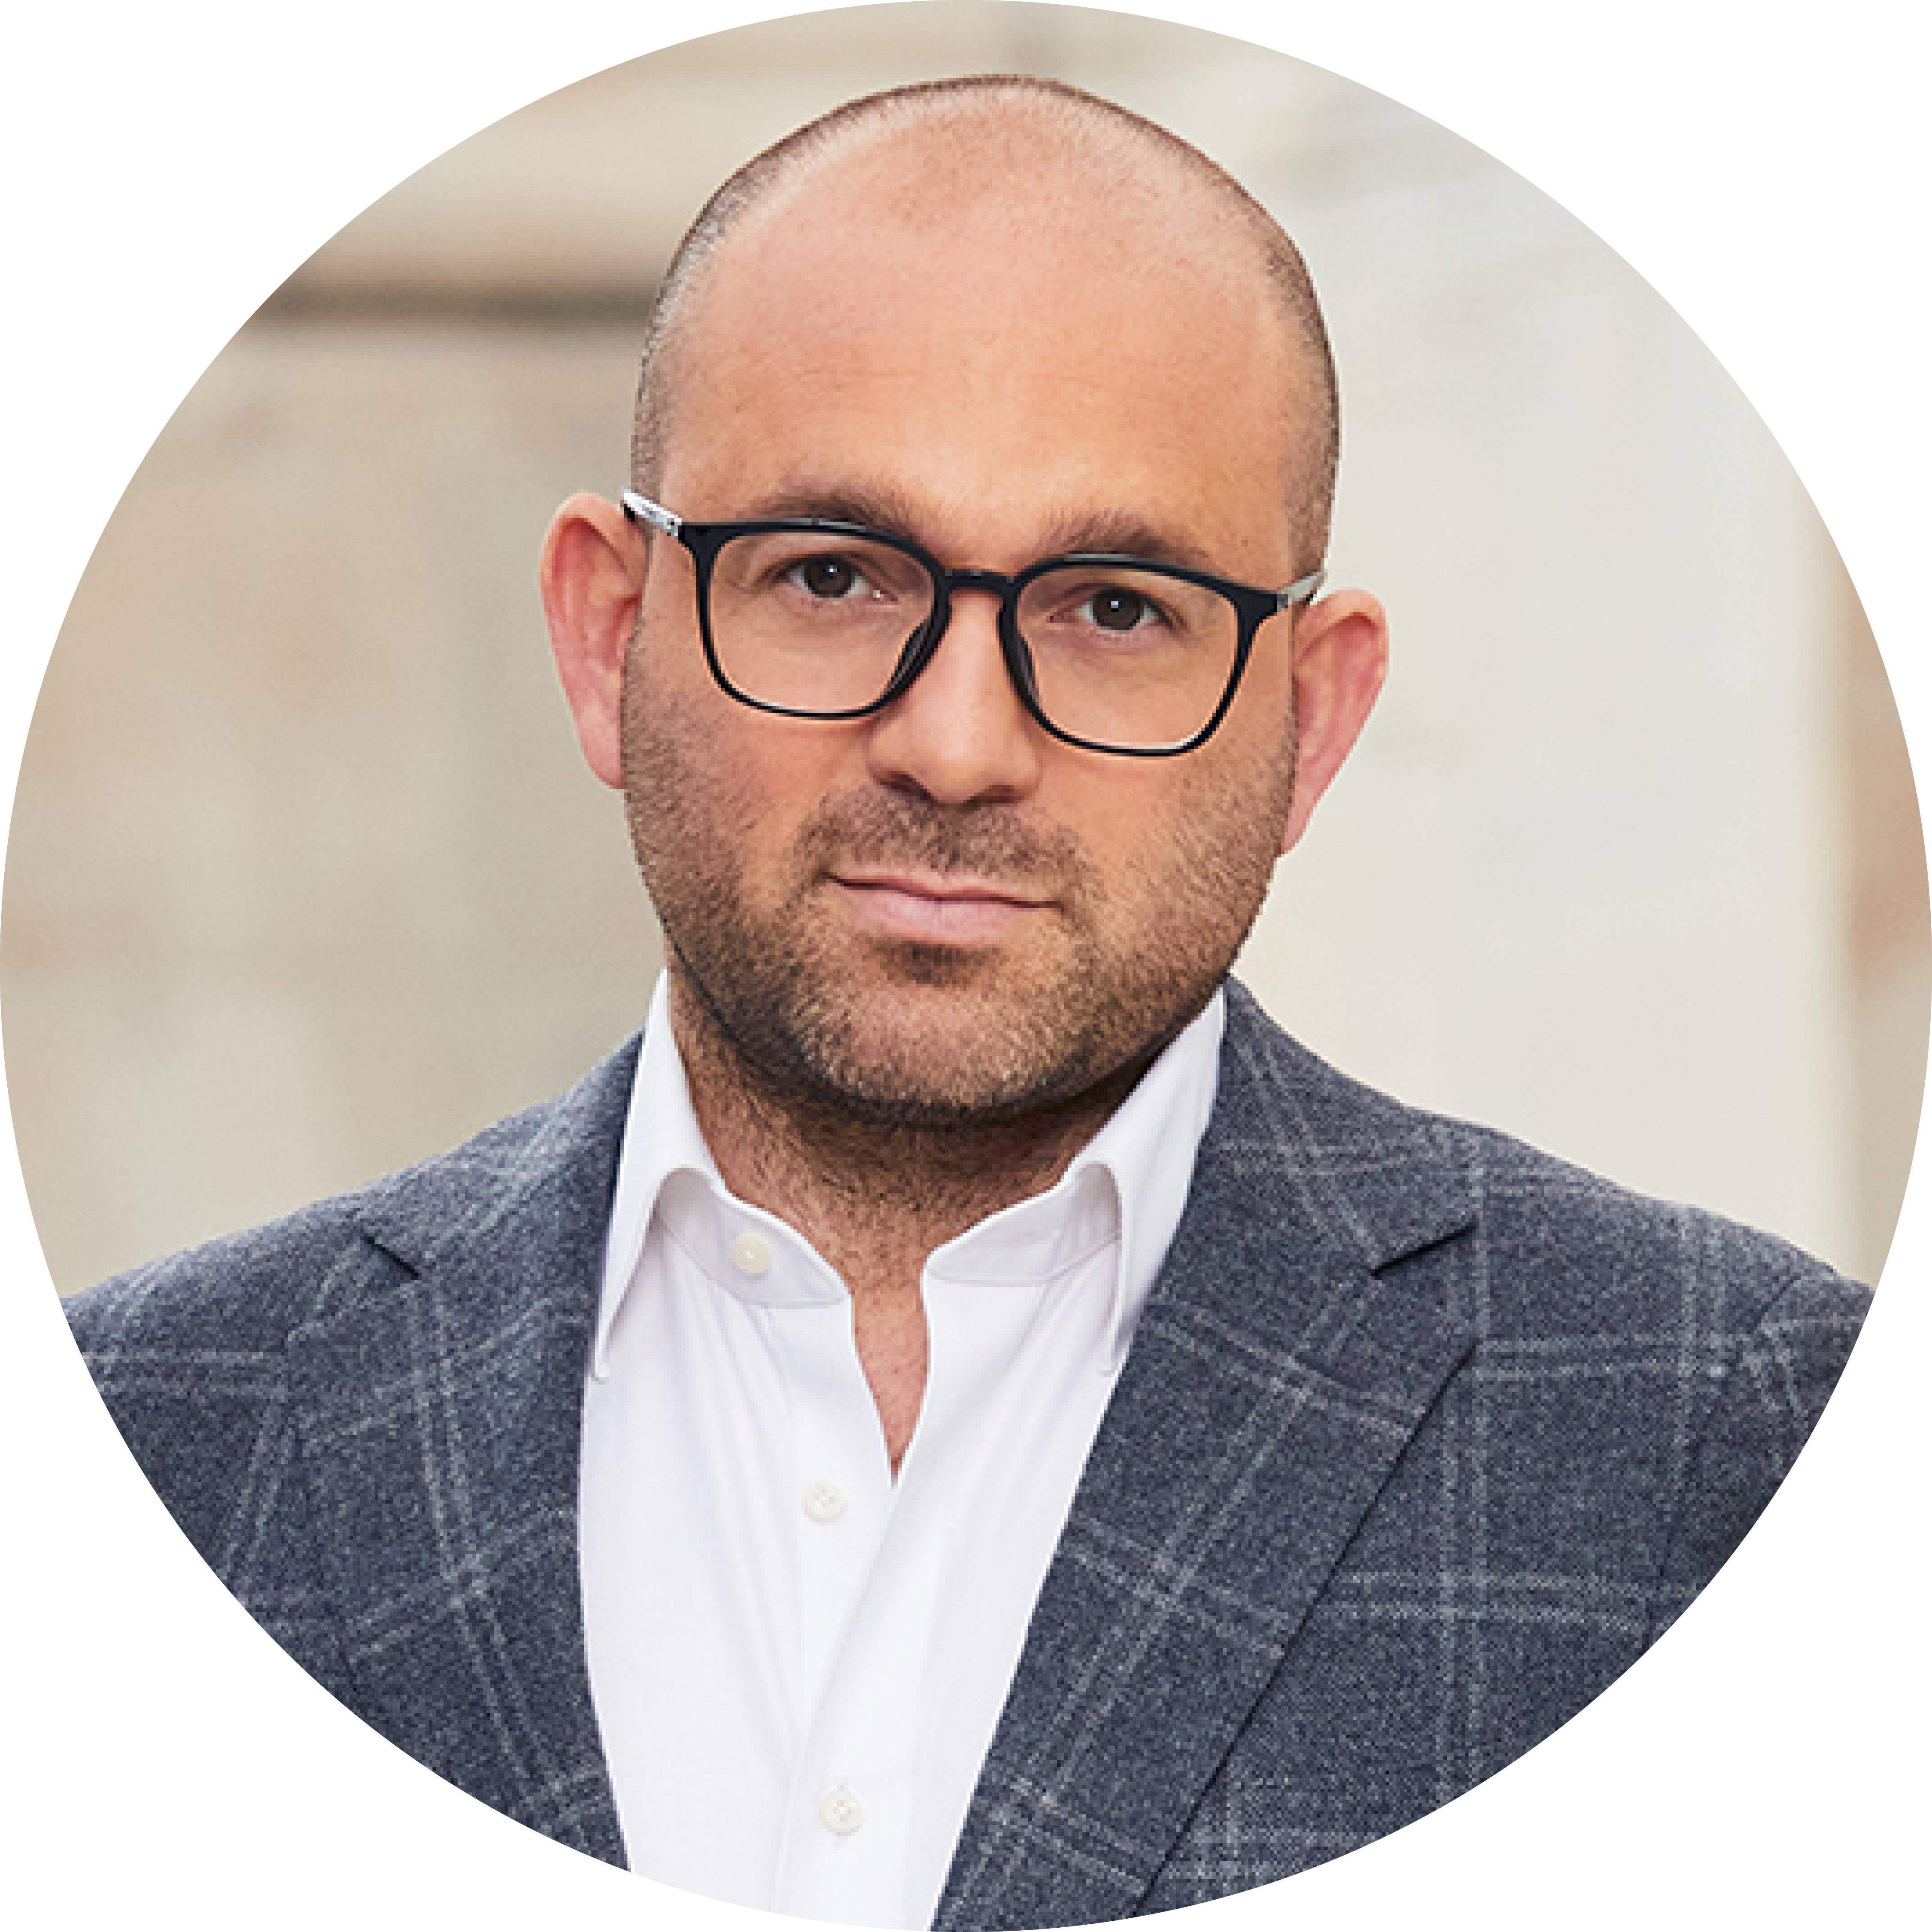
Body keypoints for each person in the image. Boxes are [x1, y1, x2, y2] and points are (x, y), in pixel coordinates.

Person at [64, 74, 1868, 1932]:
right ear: (611, 639)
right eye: (832, 576)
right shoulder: (130, 1449)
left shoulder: (1740, 1450)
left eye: (1117, 606)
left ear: (1312, 723)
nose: (956, 742)